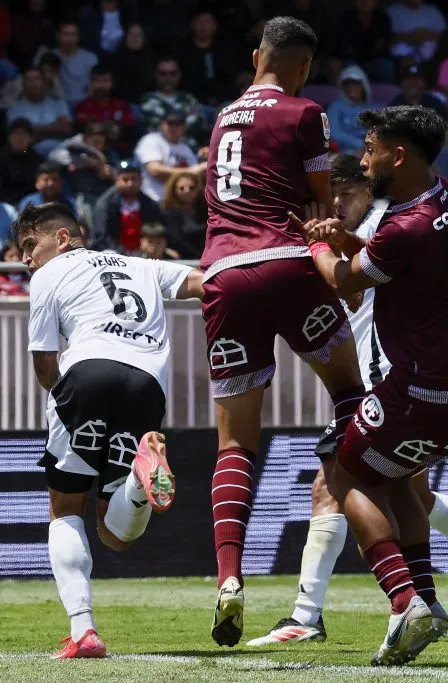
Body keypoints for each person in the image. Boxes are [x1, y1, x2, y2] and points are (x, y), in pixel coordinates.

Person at [200, 17, 370, 648]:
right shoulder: (305, 113)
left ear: (255, 57)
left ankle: (227, 577)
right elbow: (320, 207)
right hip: (287, 260)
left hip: (221, 273)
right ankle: (399, 544)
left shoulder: (220, 116)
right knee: (352, 394)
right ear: (303, 70)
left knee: (234, 443)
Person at [289, 105, 448, 664]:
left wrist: (315, 243)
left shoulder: (403, 226)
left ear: (398, 155)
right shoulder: (436, 203)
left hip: (415, 390)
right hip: (441, 390)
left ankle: (404, 600)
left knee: (344, 476)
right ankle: (427, 601)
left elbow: (344, 280)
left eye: (371, 147)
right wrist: (350, 241)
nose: (363, 158)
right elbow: (400, 262)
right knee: (401, 480)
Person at [16, 202, 203, 658]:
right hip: (147, 386)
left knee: (65, 510)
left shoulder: (48, 275)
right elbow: (207, 283)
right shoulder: (143, 265)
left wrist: (66, 399)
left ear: (63, 238)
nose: (25, 258)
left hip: (87, 373)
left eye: (29, 245)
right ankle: (140, 481)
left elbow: (43, 360)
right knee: (115, 533)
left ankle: (84, 632)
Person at [91, 159, 163, 253]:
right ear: (117, 180)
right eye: (125, 179)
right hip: (114, 256)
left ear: (141, 180)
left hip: (144, 254)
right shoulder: (104, 204)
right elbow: (102, 236)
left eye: (134, 179)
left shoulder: (151, 205)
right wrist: (125, 255)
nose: (130, 184)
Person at [134, 112, 205, 203]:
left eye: (178, 124)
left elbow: (194, 176)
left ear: (184, 127)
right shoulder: (151, 140)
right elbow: (154, 170)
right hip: (153, 200)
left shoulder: (185, 149)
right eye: (170, 124)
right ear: (161, 125)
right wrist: (191, 171)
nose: (174, 128)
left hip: (177, 204)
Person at [328, 65, 375, 156]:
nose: (351, 87)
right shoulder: (335, 107)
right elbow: (333, 133)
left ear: (364, 84)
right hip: (344, 153)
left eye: (356, 83)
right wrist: (360, 144)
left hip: (372, 151)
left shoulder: (375, 108)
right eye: (347, 84)